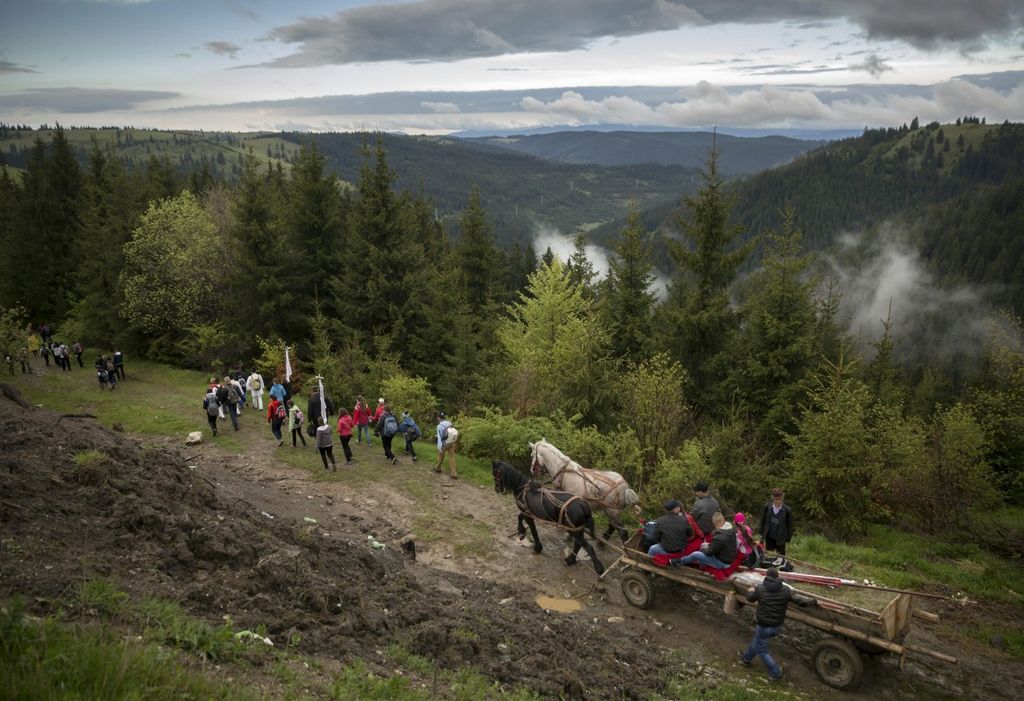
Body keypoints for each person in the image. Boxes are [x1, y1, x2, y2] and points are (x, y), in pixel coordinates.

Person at [739, 567, 817, 681]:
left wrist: (750, 591)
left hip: (764, 625)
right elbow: (799, 601)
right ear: (777, 577)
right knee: (758, 642)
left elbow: (750, 599)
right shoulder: (785, 590)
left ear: (766, 576)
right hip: (776, 626)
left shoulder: (760, 588)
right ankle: (746, 658)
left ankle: (776, 673)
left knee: (762, 650)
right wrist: (813, 602)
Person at [759, 488, 794, 556]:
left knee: (780, 557)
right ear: (773, 498)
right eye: (776, 499)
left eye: (780, 499)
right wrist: (762, 533)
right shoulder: (767, 507)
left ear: (782, 498)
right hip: (769, 536)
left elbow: (790, 526)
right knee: (769, 556)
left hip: (781, 537)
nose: (778, 501)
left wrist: (788, 538)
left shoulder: (787, 510)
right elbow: (762, 521)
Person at [433, 412, 458, 479]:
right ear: (444, 417)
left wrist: (440, 447)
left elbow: (440, 437)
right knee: (451, 457)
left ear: (438, 418)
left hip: (445, 443)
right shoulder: (449, 423)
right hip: (451, 442)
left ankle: (438, 468)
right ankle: (453, 473)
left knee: (440, 456)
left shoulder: (439, 426)